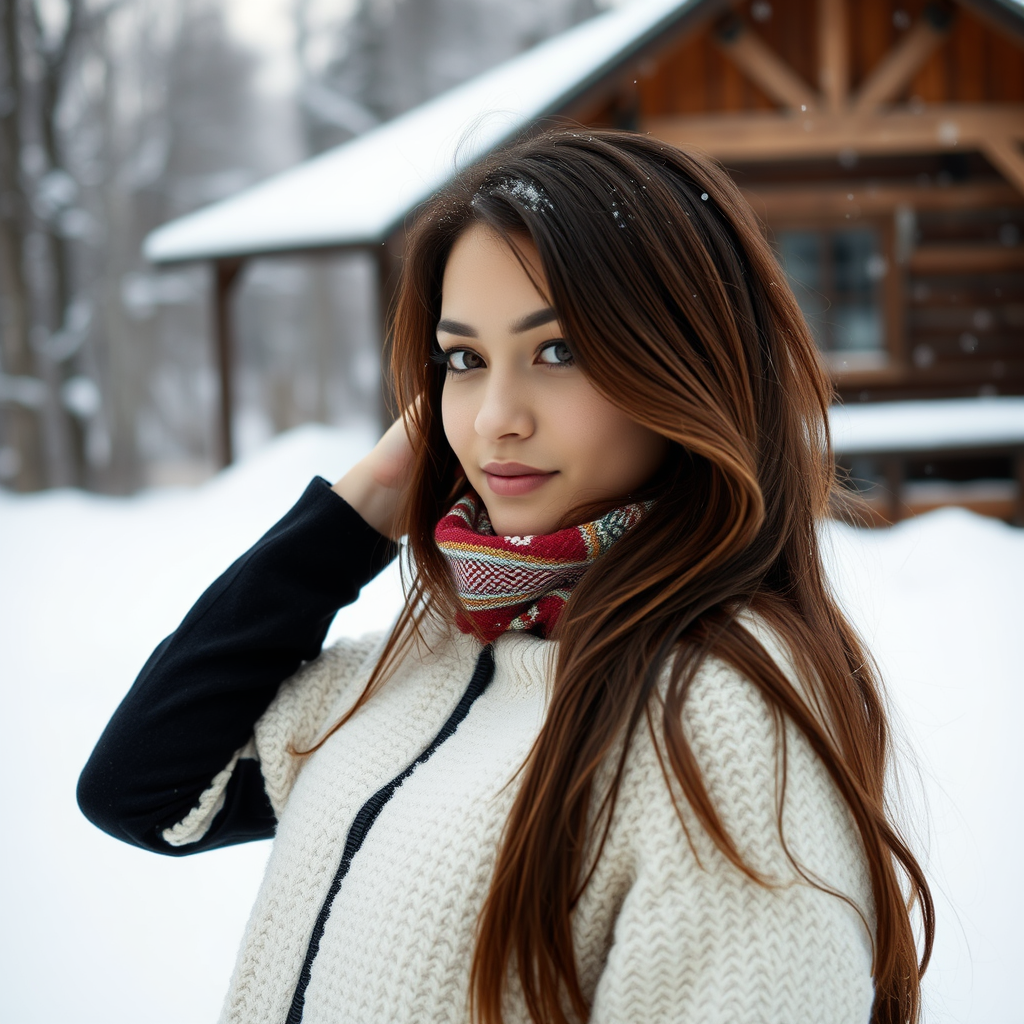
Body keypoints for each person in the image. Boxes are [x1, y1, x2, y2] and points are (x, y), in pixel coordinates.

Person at [78, 129, 933, 1024]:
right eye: (464, 360)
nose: (493, 419)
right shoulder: (434, 662)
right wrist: (363, 500)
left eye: (558, 351)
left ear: (686, 367)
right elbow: (145, 786)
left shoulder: (710, 718)